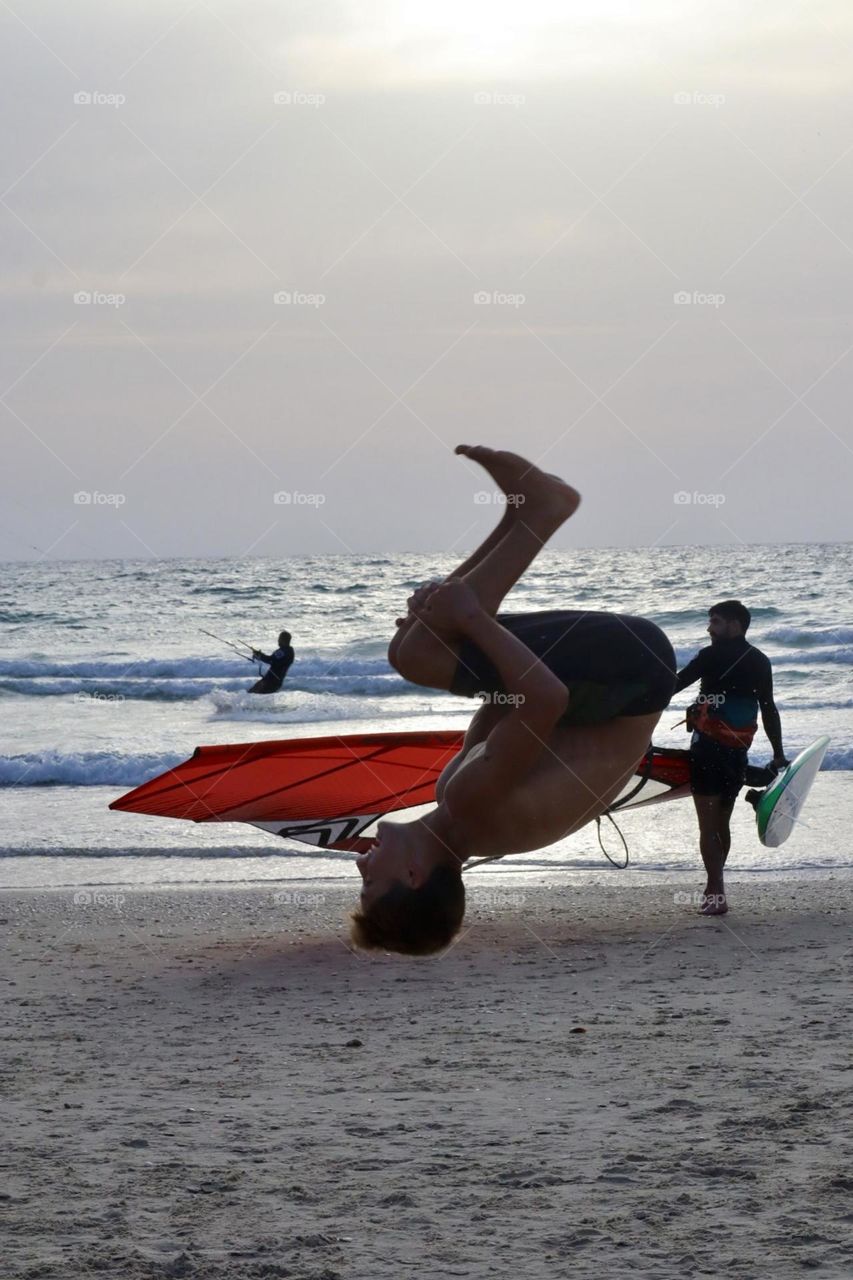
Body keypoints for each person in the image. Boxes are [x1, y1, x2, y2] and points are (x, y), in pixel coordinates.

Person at [351, 445, 677, 955]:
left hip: (628, 681)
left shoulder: (468, 819)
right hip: (626, 674)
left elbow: (505, 699)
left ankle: (526, 510)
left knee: (420, 647)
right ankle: (542, 510)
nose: (360, 865)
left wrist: (442, 622)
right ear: (414, 875)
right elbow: (545, 697)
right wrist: (469, 621)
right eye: (370, 882)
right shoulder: (469, 802)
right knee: (418, 654)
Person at [674, 601, 788, 917]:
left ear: (735, 625)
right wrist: (778, 754)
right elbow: (768, 709)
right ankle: (716, 888)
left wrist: (635, 698)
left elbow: (675, 685)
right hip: (738, 753)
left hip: (707, 750)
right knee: (721, 822)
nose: (709, 628)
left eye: (716, 622)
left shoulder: (710, 657)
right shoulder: (759, 661)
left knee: (708, 826)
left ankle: (717, 892)